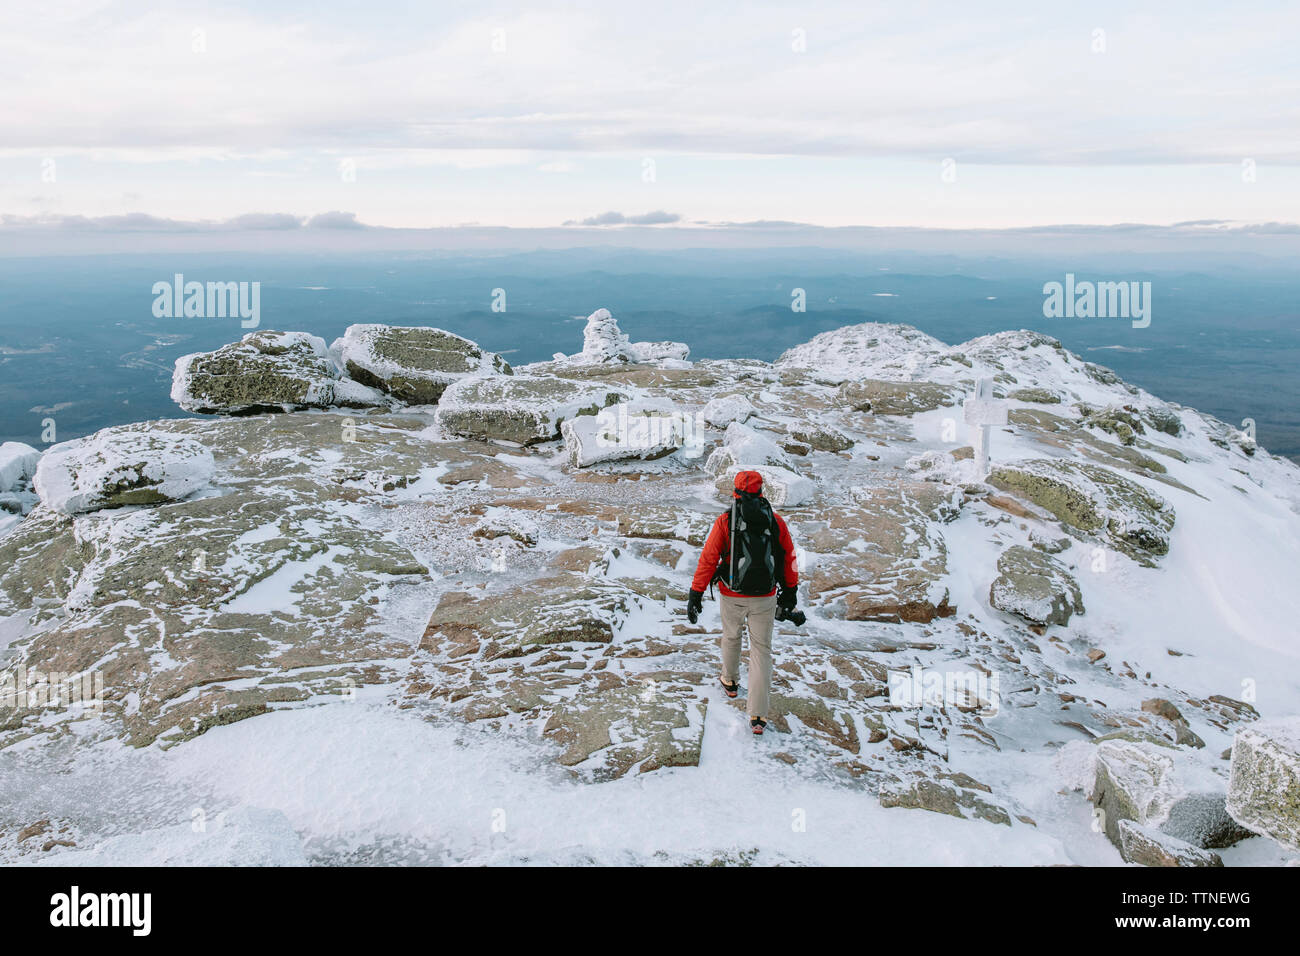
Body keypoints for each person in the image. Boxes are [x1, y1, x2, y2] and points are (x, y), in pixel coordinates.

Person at [686, 470, 799, 735]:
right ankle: (758, 716)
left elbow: (708, 559)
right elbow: (789, 557)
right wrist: (791, 591)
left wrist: (696, 593)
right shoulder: (776, 521)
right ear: (762, 492)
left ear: (735, 492)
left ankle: (730, 681)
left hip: (732, 594)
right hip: (765, 597)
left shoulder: (725, 521)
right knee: (761, 650)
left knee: (731, 636)